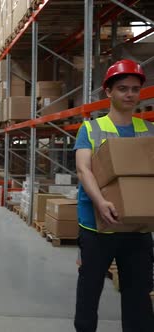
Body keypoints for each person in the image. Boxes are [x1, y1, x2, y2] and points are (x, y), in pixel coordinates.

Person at [74, 59, 154, 332]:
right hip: (97, 228)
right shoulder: (91, 129)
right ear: (108, 92)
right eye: (123, 88)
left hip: (138, 228)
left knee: (138, 295)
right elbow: (84, 170)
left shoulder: (149, 132)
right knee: (89, 290)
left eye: (135, 89)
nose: (130, 94)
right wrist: (101, 202)